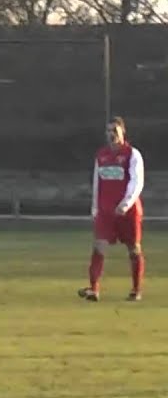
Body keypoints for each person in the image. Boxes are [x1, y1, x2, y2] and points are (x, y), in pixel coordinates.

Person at [80, 116, 145, 302]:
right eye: (108, 131)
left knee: (134, 249)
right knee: (99, 247)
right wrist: (95, 206)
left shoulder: (132, 154)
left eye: (114, 131)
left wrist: (126, 203)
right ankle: (94, 289)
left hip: (128, 211)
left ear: (122, 132)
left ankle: (136, 289)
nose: (111, 135)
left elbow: (136, 181)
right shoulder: (101, 155)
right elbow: (96, 182)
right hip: (106, 210)